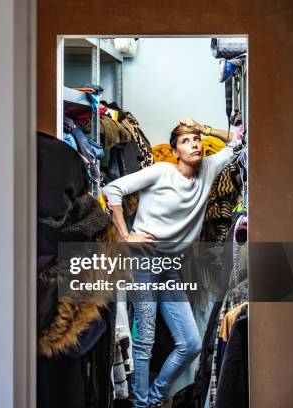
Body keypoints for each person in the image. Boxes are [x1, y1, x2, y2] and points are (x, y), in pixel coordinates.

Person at [102, 117, 239, 408]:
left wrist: (205, 128)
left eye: (196, 139)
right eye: (186, 141)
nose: (195, 144)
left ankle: (152, 398)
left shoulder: (209, 169)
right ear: (175, 151)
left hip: (171, 268)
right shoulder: (162, 171)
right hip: (143, 265)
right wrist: (126, 235)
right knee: (145, 340)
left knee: (190, 344)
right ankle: (141, 404)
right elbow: (111, 190)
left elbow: (241, 138)